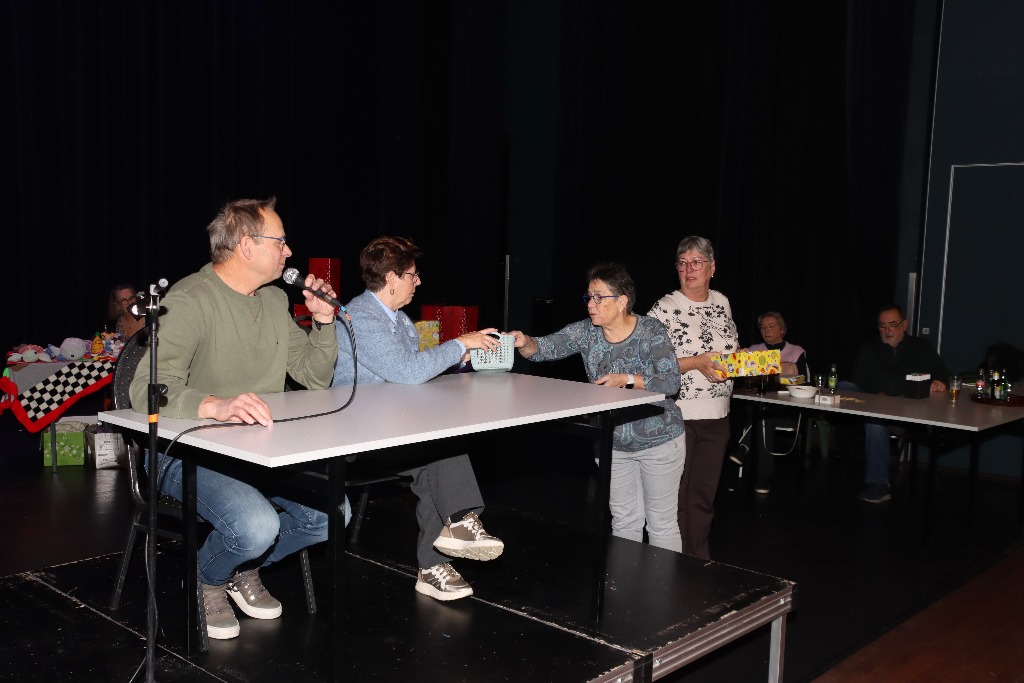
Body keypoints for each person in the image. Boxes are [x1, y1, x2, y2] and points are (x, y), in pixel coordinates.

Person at [129, 197, 339, 640]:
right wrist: (215, 404)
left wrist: (323, 323)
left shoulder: (275, 300)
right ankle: (207, 578)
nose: (288, 251)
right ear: (246, 245)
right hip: (182, 451)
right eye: (280, 241)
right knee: (257, 525)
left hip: (255, 451)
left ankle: (238, 568)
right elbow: (144, 388)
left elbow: (313, 377)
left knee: (330, 513)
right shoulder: (190, 299)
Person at [332, 236, 506, 602]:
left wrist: (463, 359)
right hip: (358, 434)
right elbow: (408, 371)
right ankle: (454, 532)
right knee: (441, 447)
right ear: (392, 278)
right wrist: (460, 344)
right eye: (413, 275)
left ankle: (440, 555)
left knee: (435, 463)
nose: (419, 281)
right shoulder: (359, 317)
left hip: (395, 425)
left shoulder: (400, 321)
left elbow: (413, 372)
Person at [508, 263, 685, 552]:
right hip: (612, 444)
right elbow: (544, 348)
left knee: (661, 524)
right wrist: (524, 341)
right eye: (589, 297)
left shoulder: (651, 330)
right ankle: (625, 580)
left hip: (660, 441)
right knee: (624, 522)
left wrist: (627, 379)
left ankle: (662, 582)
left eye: (599, 297)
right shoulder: (586, 332)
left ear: (622, 301)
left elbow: (671, 382)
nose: (591, 304)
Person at [648, 236, 738, 559]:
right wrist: (698, 362)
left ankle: (698, 563)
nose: (689, 269)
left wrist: (742, 363)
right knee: (675, 499)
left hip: (717, 416)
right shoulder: (664, 308)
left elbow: (728, 352)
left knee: (702, 499)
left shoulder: (722, 302)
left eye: (697, 262)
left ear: (712, 268)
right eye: (683, 263)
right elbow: (649, 363)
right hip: (677, 416)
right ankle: (669, 564)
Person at [847, 303, 949, 504]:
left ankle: (878, 484)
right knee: (847, 389)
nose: (887, 330)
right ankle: (878, 483)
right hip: (876, 404)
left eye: (892, 324)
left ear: (904, 325)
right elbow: (859, 380)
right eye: (882, 325)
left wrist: (940, 383)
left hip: (906, 409)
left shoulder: (921, 348)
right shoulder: (869, 349)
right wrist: (878, 394)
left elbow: (944, 374)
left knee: (875, 421)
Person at [730, 311, 809, 495]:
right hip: (756, 402)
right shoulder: (753, 350)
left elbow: (803, 381)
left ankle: (743, 446)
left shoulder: (796, 351)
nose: (766, 330)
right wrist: (782, 369)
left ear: (782, 329)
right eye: (763, 327)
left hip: (784, 405)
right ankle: (763, 477)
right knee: (763, 415)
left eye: (771, 326)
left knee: (764, 416)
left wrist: (771, 372)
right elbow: (743, 376)